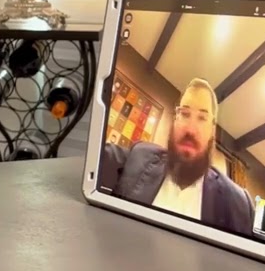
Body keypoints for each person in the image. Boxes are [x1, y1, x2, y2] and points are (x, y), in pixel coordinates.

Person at [98, 78, 253, 235]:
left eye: (202, 118)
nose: (190, 129)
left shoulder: (238, 204)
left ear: (212, 131)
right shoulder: (138, 156)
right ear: (175, 119)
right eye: (185, 114)